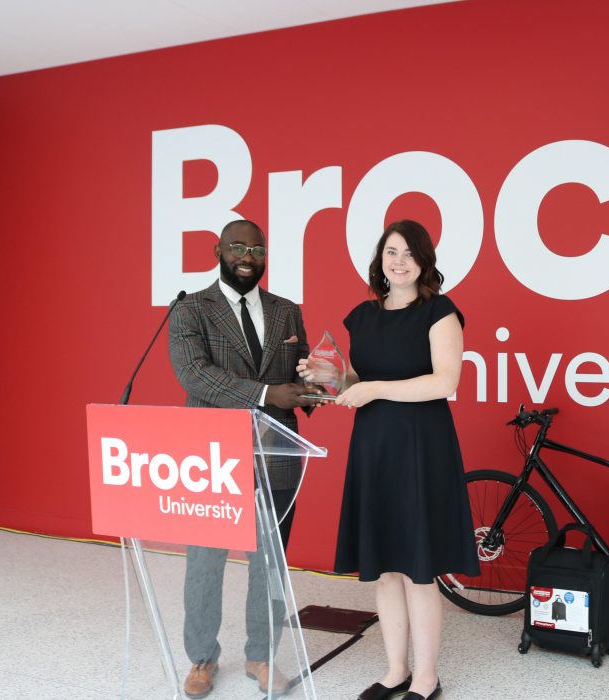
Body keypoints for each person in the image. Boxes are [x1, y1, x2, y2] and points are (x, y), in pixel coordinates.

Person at [298, 219, 479, 700]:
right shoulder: (362, 315)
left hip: (421, 445)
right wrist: (332, 376)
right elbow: (359, 380)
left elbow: (444, 383)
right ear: (380, 258)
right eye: (390, 251)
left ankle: (427, 677)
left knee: (418, 569)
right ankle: (395, 670)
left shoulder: (440, 312)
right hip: (374, 444)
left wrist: (372, 388)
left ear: (424, 262)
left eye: (408, 253)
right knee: (385, 568)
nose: (398, 261)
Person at [168, 219, 323, 699]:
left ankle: (262, 654)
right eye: (238, 246)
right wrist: (266, 393)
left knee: (270, 562)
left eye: (257, 248)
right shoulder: (190, 308)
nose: (247, 256)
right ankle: (201, 658)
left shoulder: (286, 310)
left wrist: (313, 392)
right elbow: (195, 375)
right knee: (205, 560)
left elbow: (296, 375)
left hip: (278, 454)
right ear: (217, 249)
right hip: (211, 458)